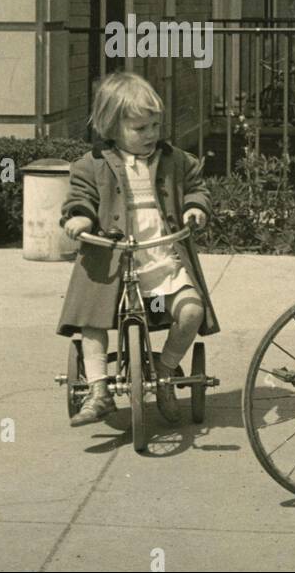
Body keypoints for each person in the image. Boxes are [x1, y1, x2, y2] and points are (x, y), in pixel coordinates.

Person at [57, 72, 220, 428]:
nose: (151, 135)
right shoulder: (92, 163)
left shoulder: (174, 159)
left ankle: (164, 372)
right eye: (140, 128)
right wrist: (80, 219)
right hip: (110, 261)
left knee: (191, 311)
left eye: (155, 126)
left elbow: (196, 183)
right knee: (92, 321)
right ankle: (98, 390)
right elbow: (80, 196)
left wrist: (195, 206)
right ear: (111, 127)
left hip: (162, 257)